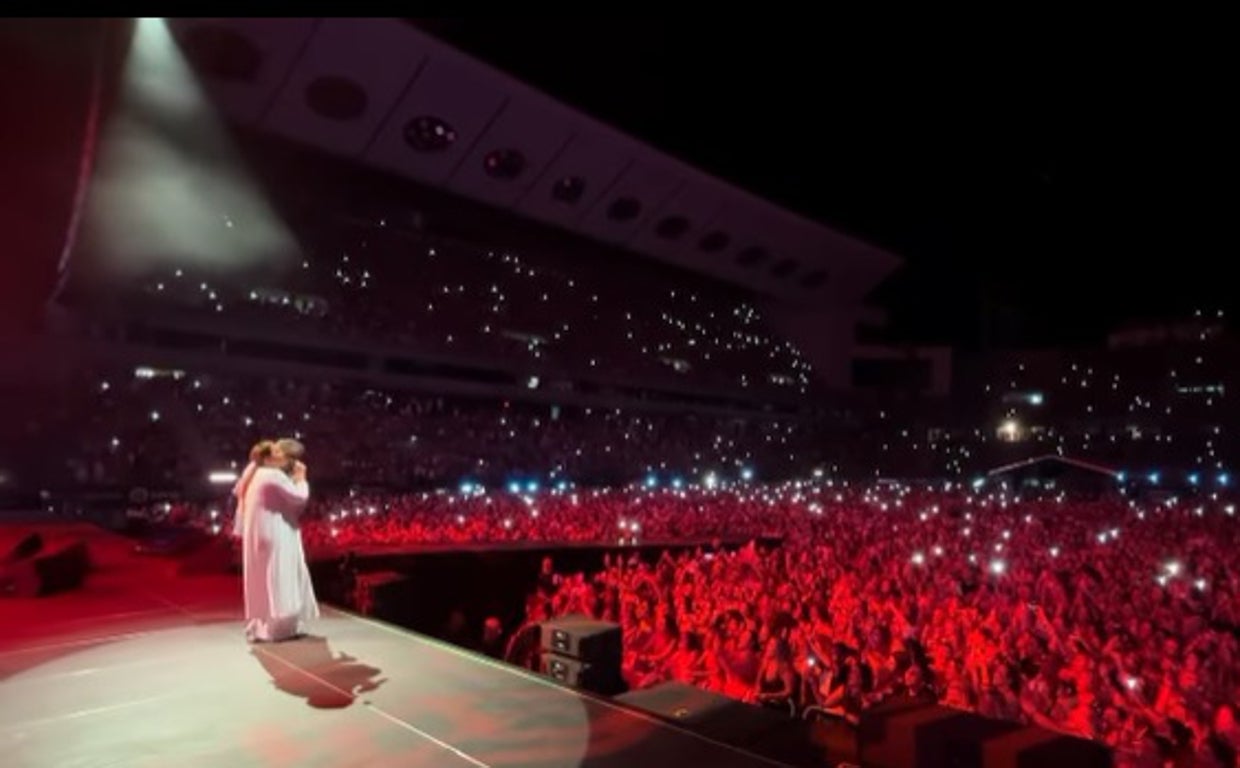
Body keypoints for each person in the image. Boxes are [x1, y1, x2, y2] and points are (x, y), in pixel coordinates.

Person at [235, 438, 318, 642]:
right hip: (274, 531)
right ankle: (279, 629)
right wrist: (301, 479)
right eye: (279, 453)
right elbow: (299, 498)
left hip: (258, 533)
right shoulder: (272, 475)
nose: (283, 457)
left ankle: (261, 626)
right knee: (279, 577)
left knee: (263, 580)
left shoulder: (253, 473)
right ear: (270, 457)